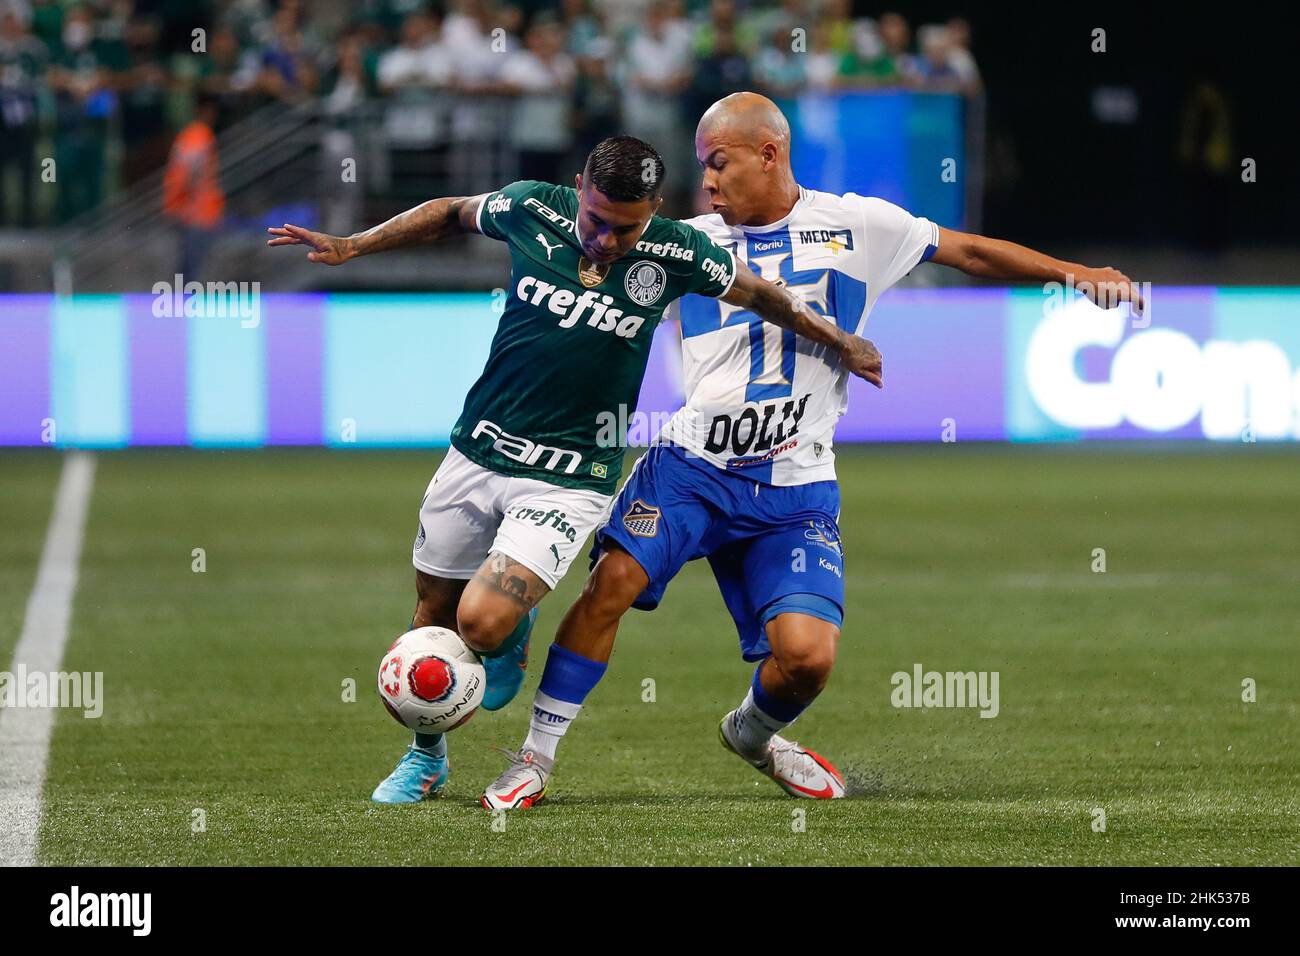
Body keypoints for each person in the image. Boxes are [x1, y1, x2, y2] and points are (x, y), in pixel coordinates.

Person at [481, 93, 1143, 809]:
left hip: (796, 488)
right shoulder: (680, 243)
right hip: (690, 470)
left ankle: (752, 735)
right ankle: (534, 760)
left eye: (718, 163)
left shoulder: (861, 225)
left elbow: (970, 251)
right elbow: (587, 273)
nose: (706, 181)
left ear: (769, 153)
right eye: (703, 166)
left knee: (807, 660)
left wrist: (1077, 274)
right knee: (610, 583)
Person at [266, 134, 885, 803]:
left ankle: (511, 625)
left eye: (625, 228)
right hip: (478, 451)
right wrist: (353, 245)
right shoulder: (531, 207)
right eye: (595, 220)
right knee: (433, 612)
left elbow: (762, 294)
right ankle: (426, 756)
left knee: (479, 624)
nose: (605, 240)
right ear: (578, 187)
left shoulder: (678, 251)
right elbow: (450, 211)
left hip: (571, 475)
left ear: (652, 212)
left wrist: (840, 339)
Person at [162, 92, 224, 280]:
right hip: (197, 212)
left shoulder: (187, 134)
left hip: (186, 209)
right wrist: (189, 205)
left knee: (187, 267)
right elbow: (192, 170)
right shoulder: (200, 134)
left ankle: (183, 304)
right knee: (191, 269)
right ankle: (186, 306)